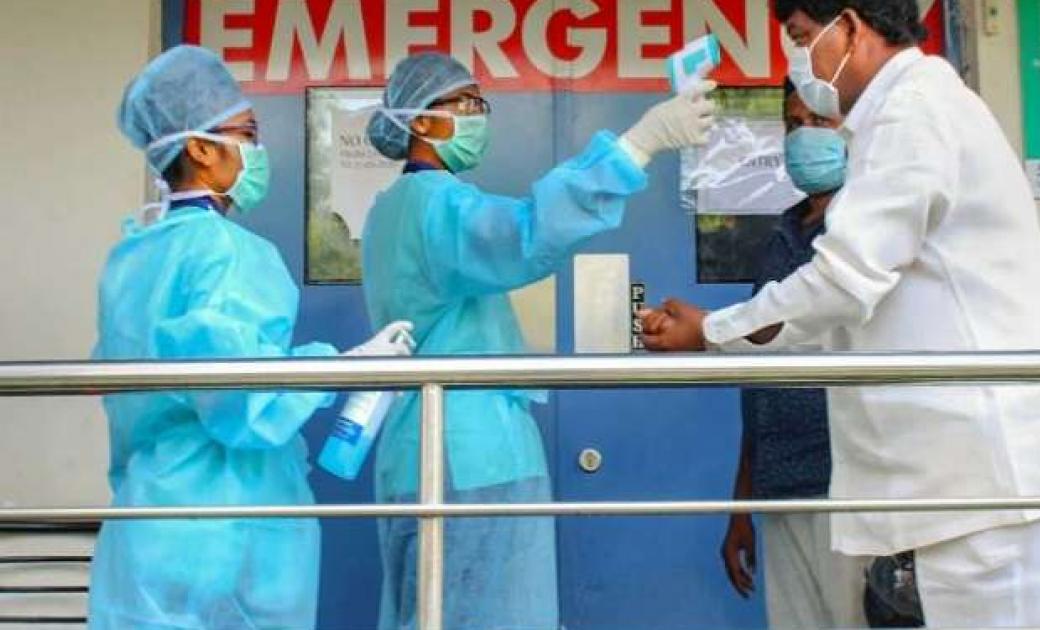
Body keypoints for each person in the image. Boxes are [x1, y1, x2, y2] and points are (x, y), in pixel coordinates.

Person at [637, 1, 1040, 626]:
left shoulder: (913, 111)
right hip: (986, 477)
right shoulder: (899, 116)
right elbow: (844, 315)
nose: (798, 59)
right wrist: (723, 334)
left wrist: (713, 332)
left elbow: (843, 281)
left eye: (800, 36)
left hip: (1006, 472)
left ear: (850, 27)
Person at [361, 52, 715, 630]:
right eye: (466, 103)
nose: (479, 115)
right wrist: (639, 144)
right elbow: (526, 233)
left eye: (481, 103)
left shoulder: (390, 210)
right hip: (468, 455)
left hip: (422, 447)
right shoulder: (432, 204)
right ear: (420, 121)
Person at [91, 45, 413, 629]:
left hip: (147, 513)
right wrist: (345, 365)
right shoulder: (226, 250)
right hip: (223, 520)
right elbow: (241, 401)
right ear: (199, 148)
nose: (257, 153)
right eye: (247, 134)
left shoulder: (132, 256)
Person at [721, 76, 867, 628]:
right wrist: (742, 505)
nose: (803, 136)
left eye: (819, 122)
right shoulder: (780, 238)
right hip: (783, 486)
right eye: (793, 124)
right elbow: (758, 384)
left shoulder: (869, 230)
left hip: (853, 486)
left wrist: (704, 330)